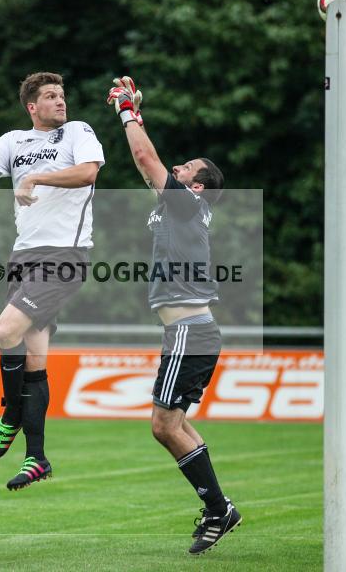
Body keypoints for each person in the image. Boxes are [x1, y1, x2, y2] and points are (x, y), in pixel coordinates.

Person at [107, 76, 241, 555]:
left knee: (164, 426)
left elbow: (148, 161)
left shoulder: (187, 205)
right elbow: (148, 166)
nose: (176, 168)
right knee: (175, 425)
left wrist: (127, 112)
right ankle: (220, 507)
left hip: (189, 331)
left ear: (196, 185)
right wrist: (137, 118)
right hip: (189, 332)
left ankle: (219, 508)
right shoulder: (183, 207)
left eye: (186, 168)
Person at [0, 72, 104, 490]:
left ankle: (10, 415)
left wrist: (36, 177)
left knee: (6, 331)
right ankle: (36, 458)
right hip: (23, 255)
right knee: (35, 360)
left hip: (64, 255)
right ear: (32, 107)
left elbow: (88, 173)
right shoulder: (13, 140)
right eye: (51, 96)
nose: (60, 101)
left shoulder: (77, 131)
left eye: (62, 94)